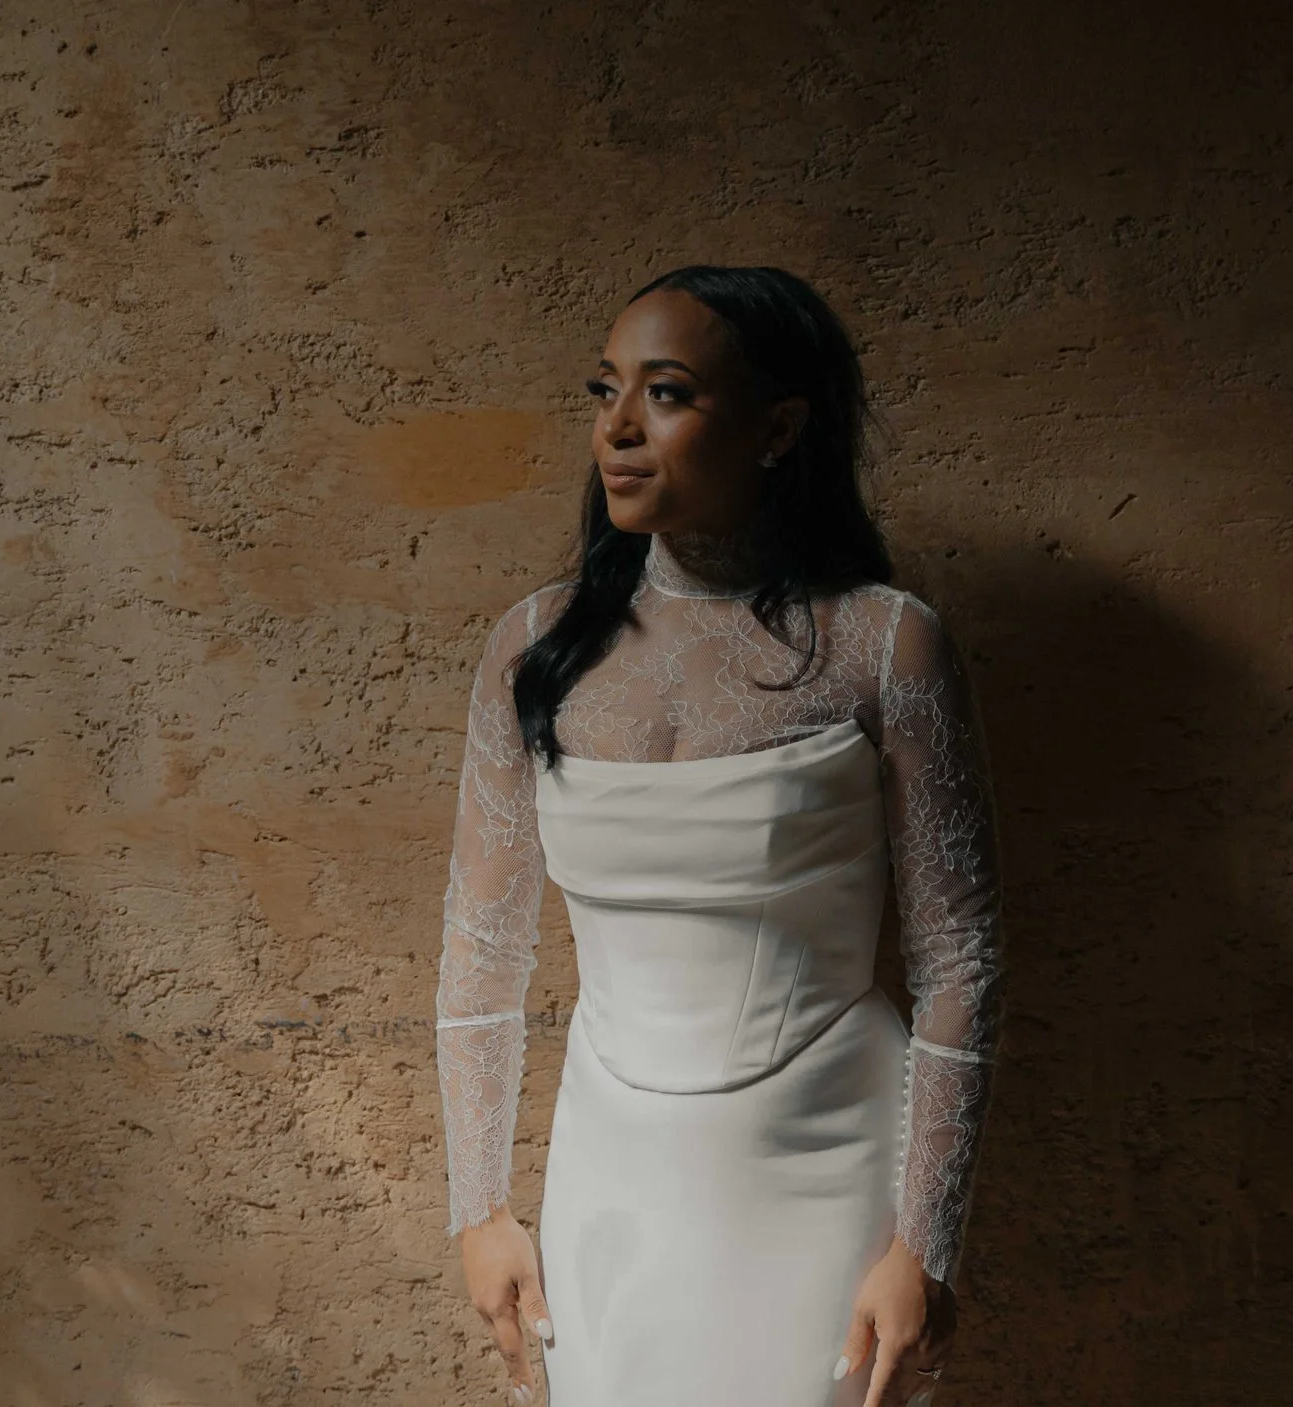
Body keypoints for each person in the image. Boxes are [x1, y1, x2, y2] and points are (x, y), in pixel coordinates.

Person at [433, 264, 1004, 1407]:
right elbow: (481, 951)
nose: (619, 427)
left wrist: (924, 1242)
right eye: (606, 390)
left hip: (830, 1158)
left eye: (669, 393)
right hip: (612, 1167)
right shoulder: (533, 646)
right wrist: (480, 1211)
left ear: (779, 428)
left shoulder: (884, 646)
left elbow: (962, 961)